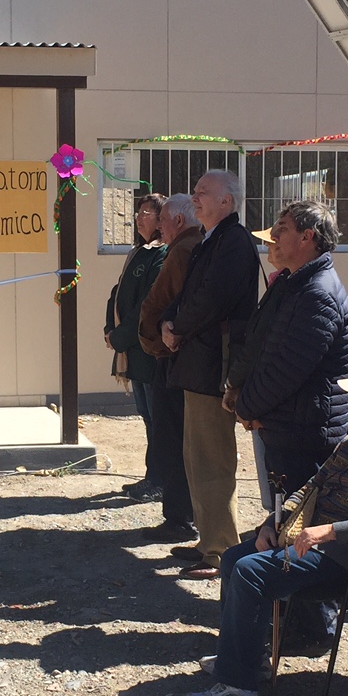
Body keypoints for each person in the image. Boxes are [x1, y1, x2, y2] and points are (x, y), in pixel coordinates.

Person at [183, 365, 348, 696]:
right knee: (237, 556)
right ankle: (250, 660)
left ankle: (239, 691)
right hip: (323, 547)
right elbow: (310, 488)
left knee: (253, 572)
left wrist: (329, 531)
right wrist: (273, 524)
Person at [162, 170, 262, 579]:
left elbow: (209, 301)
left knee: (213, 459)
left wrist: (177, 327)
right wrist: (171, 321)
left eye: (204, 192)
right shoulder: (212, 239)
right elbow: (187, 295)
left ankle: (220, 549)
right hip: (198, 363)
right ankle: (209, 539)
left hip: (213, 365)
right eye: (195, 192)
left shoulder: (233, 243)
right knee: (195, 457)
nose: (195, 198)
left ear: (227, 201)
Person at [227, 200, 348, 505]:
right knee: (279, 521)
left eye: (282, 228)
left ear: (307, 237)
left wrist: (246, 406)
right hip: (287, 426)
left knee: (296, 526)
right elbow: (262, 348)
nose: (273, 234)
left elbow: (286, 370)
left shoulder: (317, 293)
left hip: (304, 435)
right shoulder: (293, 283)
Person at [136, 194, 200, 539]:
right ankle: (179, 515)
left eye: (162, 219)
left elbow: (165, 301)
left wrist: (158, 333)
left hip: (174, 358)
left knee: (173, 439)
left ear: (177, 221)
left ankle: (180, 519)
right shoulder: (183, 248)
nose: (158, 225)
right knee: (169, 436)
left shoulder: (185, 250)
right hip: (168, 355)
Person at [105, 194, 167, 502]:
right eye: (138, 212)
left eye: (146, 212)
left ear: (161, 220)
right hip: (133, 349)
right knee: (146, 415)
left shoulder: (161, 254)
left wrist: (120, 337)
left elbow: (147, 305)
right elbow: (117, 294)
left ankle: (160, 480)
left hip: (147, 349)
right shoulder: (137, 253)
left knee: (157, 418)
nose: (139, 218)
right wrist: (109, 328)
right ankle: (150, 476)